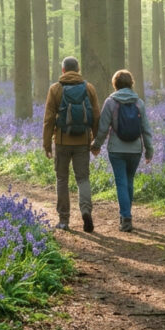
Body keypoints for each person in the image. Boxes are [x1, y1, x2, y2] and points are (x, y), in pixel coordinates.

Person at [91, 69, 154, 232]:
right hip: (135, 150)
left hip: (116, 150)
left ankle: (126, 218)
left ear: (115, 84)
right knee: (129, 181)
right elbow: (146, 128)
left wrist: (96, 145)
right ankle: (126, 214)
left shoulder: (110, 102)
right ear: (131, 83)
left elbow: (103, 128)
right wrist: (149, 150)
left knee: (121, 182)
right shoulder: (139, 102)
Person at [42, 56, 100, 232]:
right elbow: (96, 116)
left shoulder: (55, 89)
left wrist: (46, 144)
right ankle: (85, 211)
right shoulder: (89, 88)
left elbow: (49, 119)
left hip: (61, 141)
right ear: (78, 69)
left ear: (63, 70)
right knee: (83, 178)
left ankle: (64, 220)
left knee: (62, 179)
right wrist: (96, 141)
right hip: (83, 141)